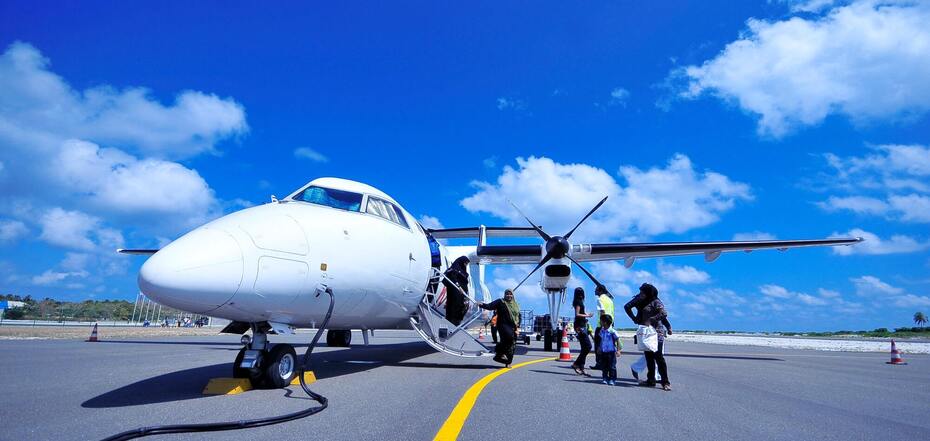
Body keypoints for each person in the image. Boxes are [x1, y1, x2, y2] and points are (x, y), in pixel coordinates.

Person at [624, 283, 672, 391]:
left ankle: (665, 382)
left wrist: (652, 320)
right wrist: (634, 318)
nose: (640, 294)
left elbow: (663, 314)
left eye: (642, 292)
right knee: (649, 357)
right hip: (646, 333)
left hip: (656, 333)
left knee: (659, 357)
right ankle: (651, 380)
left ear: (648, 293)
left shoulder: (656, 302)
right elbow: (627, 306)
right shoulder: (641, 301)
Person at [479, 289, 520, 367]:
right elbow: (490, 306)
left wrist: (518, 327)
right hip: (502, 325)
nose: (509, 296)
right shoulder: (500, 302)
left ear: (513, 295)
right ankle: (499, 351)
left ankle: (507, 361)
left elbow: (518, 315)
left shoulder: (516, 304)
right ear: (504, 295)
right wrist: (481, 304)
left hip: (513, 326)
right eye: (507, 294)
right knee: (509, 337)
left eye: (510, 294)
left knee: (512, 344)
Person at [589, 284, 615, 371]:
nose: (595, 291)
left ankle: (599, 363)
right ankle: (607, 363)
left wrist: (603, 325)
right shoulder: (610, 300)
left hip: (602, 325)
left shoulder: (600, 299)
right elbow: (612, 312)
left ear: (600, 291)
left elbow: (602, 311)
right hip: (610, 325)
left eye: (596, 289)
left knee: (598, 345)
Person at [570, 287, 594, 376]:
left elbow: (580, 312)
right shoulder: (578, 302)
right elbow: (577, 314)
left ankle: (581, 367)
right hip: (580, 326)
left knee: (584, 347)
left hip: (581, 325)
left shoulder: (579, 301)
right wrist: (587, 315)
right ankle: (576, 364)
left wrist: (586, 314)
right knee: (588, 346)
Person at [593, 314, 621, 385]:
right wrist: (599, 348)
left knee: (612, 366)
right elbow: (601, 340)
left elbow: (618, 340)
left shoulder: (612, 331)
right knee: (604, 366)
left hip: (611, 352)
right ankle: (605, 378)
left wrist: (618, 350)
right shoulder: (602, 331)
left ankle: (612, 379)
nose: (600, 322)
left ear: (605, 322)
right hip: (604, 351)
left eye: (601, 321)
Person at [443, 256, 470, 326]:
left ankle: (455, 323)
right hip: (455, 294)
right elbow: (453, 279)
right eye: (465, 263)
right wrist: (459, 287)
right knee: (454, 308)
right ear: (461, 262)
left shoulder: (463, 271)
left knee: (461, 307)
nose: (466, 265)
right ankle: (452, 324)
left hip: (461, 295)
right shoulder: (454, 270)